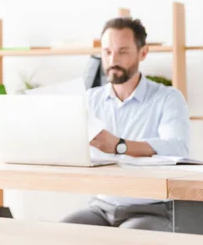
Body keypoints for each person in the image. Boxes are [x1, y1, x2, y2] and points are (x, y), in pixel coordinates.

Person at [61, 17, 189, 232]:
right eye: (107, 51)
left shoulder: (168, 98)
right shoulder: (90, 99)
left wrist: (120, 145)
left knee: (128, 238)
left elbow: (178, 148)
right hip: (101, 207)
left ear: (143, 53)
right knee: (59, 233)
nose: (113, 60)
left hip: (151, 208)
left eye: (122, 52)